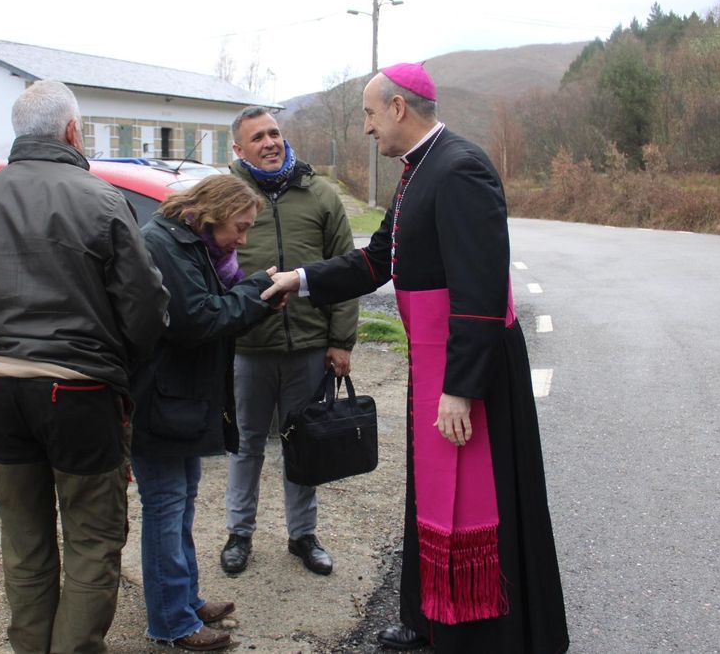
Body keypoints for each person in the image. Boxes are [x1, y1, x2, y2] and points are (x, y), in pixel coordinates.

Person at [261, 64, 569, 653]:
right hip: (435, 360)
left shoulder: (460, 168)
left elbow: (480, 288)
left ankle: (485, 633)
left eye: (371, 116)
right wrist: (299, 279)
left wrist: (461, 385)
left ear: (399, 108)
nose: (368, 130)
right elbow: (377, 261)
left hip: (466, 365)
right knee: (429, 491)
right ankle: (431, 616)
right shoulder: (420, 170)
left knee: (479, 495)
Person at [0, 80, 169, 654]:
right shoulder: (102, 200)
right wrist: (118, 370)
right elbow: (147, 307)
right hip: (81, 392)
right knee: (92, 540)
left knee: (25, 542)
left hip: (1, 391)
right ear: (70, 131)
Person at [130, 174, 279, 651]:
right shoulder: (164, 245)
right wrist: (259, 291)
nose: (243, 238)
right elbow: (199, 319)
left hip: (180, 399)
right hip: (161, 400)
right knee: (165, 510)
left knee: (181, 505)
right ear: (212, 214)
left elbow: (208, 309)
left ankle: (186, 600)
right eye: (240, 226)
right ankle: (172, 623)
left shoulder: (187, 243)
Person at [221, 107, 360, 576]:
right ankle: (239, 533)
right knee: (246, 444)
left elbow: (347, 271)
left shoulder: (318, 193)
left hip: (308, 347)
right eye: (257, 137)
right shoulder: (226, 198)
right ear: (238, 150)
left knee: (304, 444)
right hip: (246, 348)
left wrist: (340, 340)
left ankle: (303, 535)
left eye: (274, 132)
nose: (270, 142)